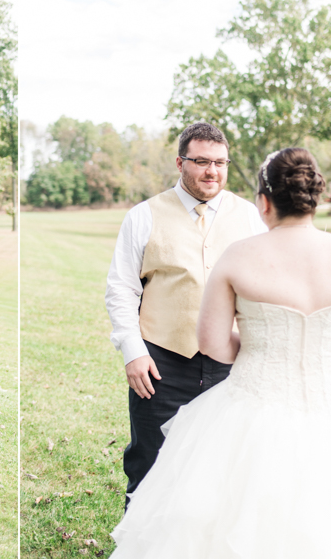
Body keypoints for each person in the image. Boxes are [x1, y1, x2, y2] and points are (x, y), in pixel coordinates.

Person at [110, 148, 331, 558]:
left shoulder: (239, 257)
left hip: (255, 404)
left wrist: (263, 349)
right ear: (316, 200)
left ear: (264, 202)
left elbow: (213, 344)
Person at [105, 122, 267, 505]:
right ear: (180, 163)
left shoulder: (249, 217)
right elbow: (121, 288)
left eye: (220, 163)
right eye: (201, 162)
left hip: (233, 361)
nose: (212, 171)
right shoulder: (143, 216)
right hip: (161, 362)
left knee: (228, 461)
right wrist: (133, 351)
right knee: (150, 460)